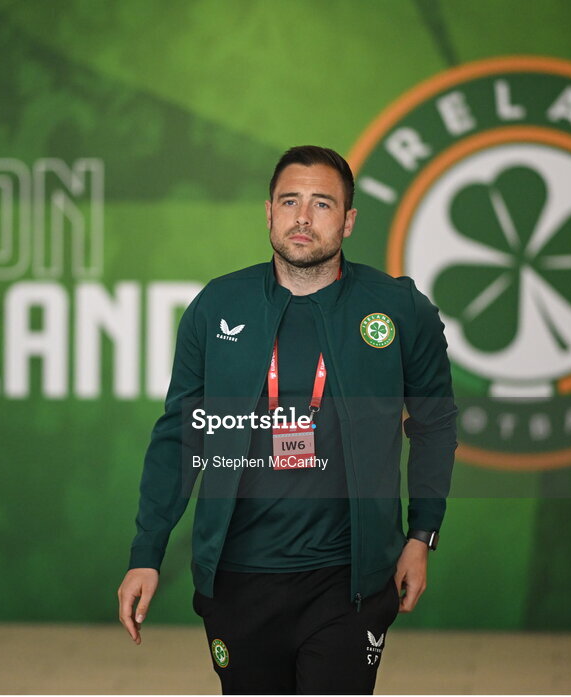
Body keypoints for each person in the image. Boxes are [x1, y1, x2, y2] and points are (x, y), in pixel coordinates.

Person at [117, 145, 457, 694]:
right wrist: (146, 552)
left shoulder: (399, 309)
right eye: (289, 201)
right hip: (239, 579)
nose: (303, 217)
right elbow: (182, 433)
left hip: (347, 583)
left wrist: (422, 533)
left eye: (322, 204)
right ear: (268, 211)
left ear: (348, 220)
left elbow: (435, 424)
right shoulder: (217, 305)